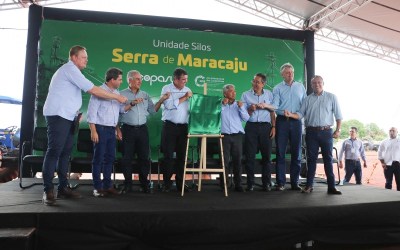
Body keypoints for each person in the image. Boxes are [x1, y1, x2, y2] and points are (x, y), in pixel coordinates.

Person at [41, 45, 127, 205]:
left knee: (66, 153)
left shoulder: (74, 72)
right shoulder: (70, 69)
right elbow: (93, 90)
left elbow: (69, 95)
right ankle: (48, 190)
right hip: (58, 115)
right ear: (73, 57)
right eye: (83, 57)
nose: (86, 60)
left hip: (69, 117)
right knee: (54, 152)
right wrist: (116, 98)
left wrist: (75, 112)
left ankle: (62, 187)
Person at [286, 75, 343, 194]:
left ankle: (331, 187)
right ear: (311, 85)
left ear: (323, 83)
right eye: (314, 83)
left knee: (328, 159)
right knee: (311, 160)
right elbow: (300, 114)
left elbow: (338, 116)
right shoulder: (307, 99)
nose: (317, 84)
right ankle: (309, 186)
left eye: (319, 82)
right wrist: (291, 115)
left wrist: (338, 130)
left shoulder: (332, 97)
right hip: (311, 132)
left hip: (326, 132)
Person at [117, 70, 169, 194]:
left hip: (142, 129)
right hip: (127, 129)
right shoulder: (121, 94)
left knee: (144, 158)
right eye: (137, 79)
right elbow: (117, 112)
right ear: (130, 80)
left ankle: (144, 183)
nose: (140, 81)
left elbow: (153, 111)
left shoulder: (145, 94)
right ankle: (127, 184)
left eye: (141, 79)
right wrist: (117, 129)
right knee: (127, 158)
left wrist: (161, 100)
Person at [87, 67, 127, 197]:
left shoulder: (117, 92)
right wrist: (93, 131)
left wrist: (131, 105)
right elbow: (91, 113)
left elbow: (119, 111)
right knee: (98, 159)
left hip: (111, 129)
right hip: (100, 129)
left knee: (110, 158)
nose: (121, 82)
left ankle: (108, 186)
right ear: (112, 79)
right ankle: (97, 188)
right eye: (120, 79)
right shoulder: (98, 92)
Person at [271, 63, 306, 191]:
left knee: (297, 153)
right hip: (282, 121)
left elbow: (304, 105)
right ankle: (280, 182)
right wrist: (279, 110)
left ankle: (295, 182)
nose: (290, 74)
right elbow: (275, 105)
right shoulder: (277, 88)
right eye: (287, 72)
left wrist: (297, 115)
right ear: (282, 74)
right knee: (281, 152)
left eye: (291, 72)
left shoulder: (300, 87)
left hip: (296, 122)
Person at [240, 73, 276, 192]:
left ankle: (266, 183)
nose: (255, 84)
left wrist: (273, 126)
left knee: (266, 157)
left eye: (258, 82)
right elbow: (243, 114)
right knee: (250, 156)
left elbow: (272, 111)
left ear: (263, 84)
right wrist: (251, 108)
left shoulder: (270, 94)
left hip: (266, 127)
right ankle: (250, 184)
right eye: (254, 81)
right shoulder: (245, 95)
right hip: (251, 127)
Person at [160, 68, 192, 192]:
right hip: (169, 126)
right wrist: (184, 97)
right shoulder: (166, 88)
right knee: (168, 156)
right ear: (176, 79)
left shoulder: (188, 90)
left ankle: (181, 183)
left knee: (182, 156)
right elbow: (168, 105)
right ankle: (166, 184)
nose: (185, 82)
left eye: (186, 80)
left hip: (183, 127)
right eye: (183, 80)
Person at [221, 84, 250, 192]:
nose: (234, 93)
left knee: (237, 161)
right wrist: (223, 105)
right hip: (224, 136)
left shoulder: (239, 104)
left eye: (235, 91)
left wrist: (242, 107)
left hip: (237, 136)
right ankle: (225, 184)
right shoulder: (220, 105)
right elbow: (215, 116)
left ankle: (238, 184)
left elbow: (246, 118)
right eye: (231, 91)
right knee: (224, 161)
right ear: (225, 93)